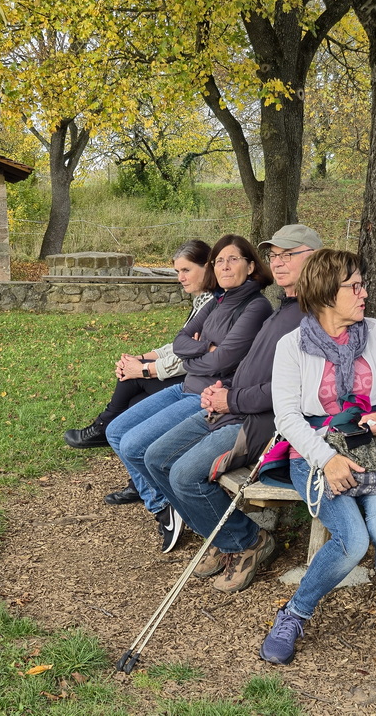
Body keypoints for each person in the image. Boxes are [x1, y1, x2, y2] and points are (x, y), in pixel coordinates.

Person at [260, 249, 376, 675]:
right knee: (353, 541)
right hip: (314, 452)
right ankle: (294, 615)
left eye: (362, 283)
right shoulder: (292, 346)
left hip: (372, 450)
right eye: (354, 286)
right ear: (325, 293)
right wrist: (327, 459)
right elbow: (288, 417)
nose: (364, 293)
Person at [136, 224, 318, 593]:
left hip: (260, 425)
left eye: (290, 255)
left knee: (184, 475)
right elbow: (248, 364)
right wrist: (225, 387)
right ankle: (222, 538)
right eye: (275, 256)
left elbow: (295, 392)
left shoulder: (311, 316)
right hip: (230, 405)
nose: (279, 263)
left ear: (314, 257)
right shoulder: (282, 308)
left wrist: (230, 397)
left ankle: (247, 542)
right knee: (154, 457)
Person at [104, 234, 274, 554]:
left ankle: (183, 512)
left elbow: (224, 360)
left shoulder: (256, 306)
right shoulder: (218, 300)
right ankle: (168, 505)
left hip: (206, 396)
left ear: (251, 266)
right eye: (219, 260)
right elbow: (181, 341)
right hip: (185, 386)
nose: (224, 266)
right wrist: (202, 349)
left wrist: (199, 354)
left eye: (233, 259)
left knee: (138, 446)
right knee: (115, 431)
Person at [62, 241, 215, 502]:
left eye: (186, 270)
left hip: (195, 384)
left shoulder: (214, 303)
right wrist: (143, 358)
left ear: (207, 267)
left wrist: (144, 370)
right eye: (178, 271)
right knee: (133, 397)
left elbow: (191, 356)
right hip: (187, 378)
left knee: (134, 390)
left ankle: (105, 427)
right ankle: (136, 478)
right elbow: (179, 345)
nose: (180, 278)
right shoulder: (202, 300)